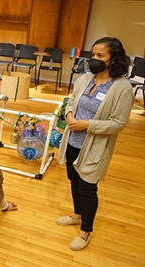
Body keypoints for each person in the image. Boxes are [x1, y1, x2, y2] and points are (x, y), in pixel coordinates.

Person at [57, 37, 134, 251]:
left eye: (100, 55)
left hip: (94, 147)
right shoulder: (85, 79)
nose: (95, 59)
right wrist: (70, 114)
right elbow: (71, 100)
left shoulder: (122, 88)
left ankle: (85, 232)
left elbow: (118, 123)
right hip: (73, 140)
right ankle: (77, 214)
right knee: (73, 179)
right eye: (93, 55)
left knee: (88, 188)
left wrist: (87, 124)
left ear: (113, 59)